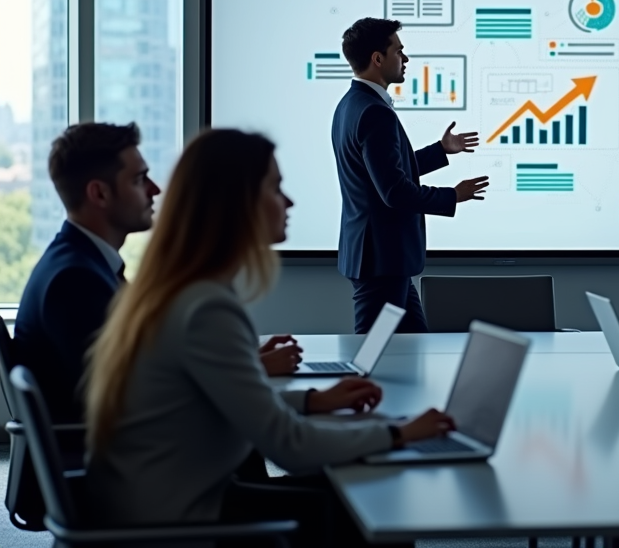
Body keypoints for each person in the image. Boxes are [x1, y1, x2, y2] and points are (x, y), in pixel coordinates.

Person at [85, 129, 455, 546]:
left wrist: (313, 400)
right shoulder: (207, 307)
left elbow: (218, 402)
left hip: (162, 502)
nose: (289, 202)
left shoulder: (180, 290)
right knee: (377, 497)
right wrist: (398, 432)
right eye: (275, 188)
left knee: (357, 487)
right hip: (183, 522)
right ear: (236, 204)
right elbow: (288, 445)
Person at [333, 17, 488, 334]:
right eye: (399, 51)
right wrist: (452, 195)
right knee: (372, 354)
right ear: (378, 58)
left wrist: (440, 151)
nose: (405, 59)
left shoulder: (351, 104)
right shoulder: (374, 112)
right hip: (381, 260)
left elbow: (385, 170)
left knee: (414, 345)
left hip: (383, 258)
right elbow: (394, 191)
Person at [15, 122, 160, 424]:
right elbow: (131, 394)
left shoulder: (81, 262)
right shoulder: (75, 280)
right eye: (139, 179)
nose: (155, 189)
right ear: (100, 194)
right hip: (105, 459)